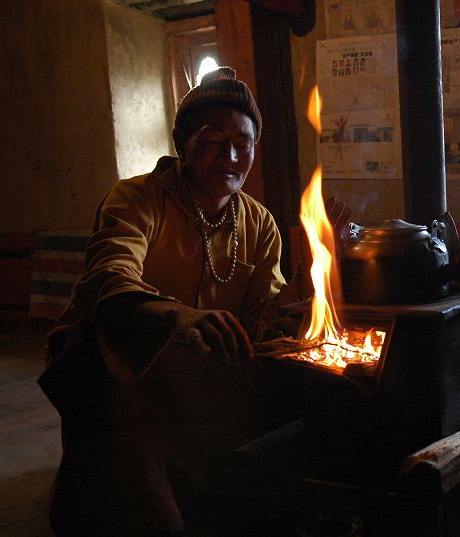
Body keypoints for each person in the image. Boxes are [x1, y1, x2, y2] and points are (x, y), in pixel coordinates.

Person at [39, 67, 299, 536]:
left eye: (244, 143)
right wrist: (175, 317)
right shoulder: (137, 198)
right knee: (130, 441)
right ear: (181, 142)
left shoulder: (259, 222)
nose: (231, 155)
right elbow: (108, 278)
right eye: (212, 140)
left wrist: (324, 275)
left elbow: (269, 313)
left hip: (204, 363)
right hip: (116, 355)